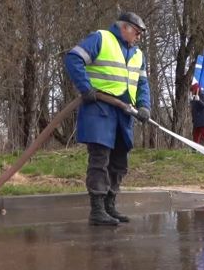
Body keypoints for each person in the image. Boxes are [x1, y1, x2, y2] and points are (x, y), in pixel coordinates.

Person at [65, 12, 151, 226]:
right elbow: (73, 58)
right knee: (100, 159)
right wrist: (85, 88)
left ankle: (109, 206)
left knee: (120, 161)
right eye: (137, 32)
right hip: (100, 108)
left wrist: (144, 106)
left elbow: (142, 84)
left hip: (124, 113)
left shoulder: (138, 55)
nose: (139, 37)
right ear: (124, 27)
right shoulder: (101, 38)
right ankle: (97, 210)